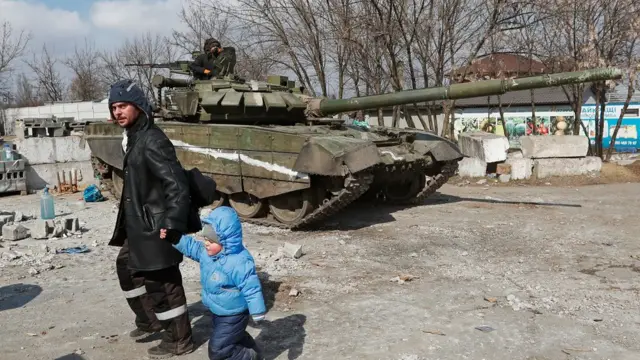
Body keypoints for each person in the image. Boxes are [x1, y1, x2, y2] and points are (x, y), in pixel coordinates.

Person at [107, 79, 195, 358]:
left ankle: (179, 340)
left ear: (139, 107)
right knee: (127, 266)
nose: (117, 112)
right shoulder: (134, 137)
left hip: (156, 225)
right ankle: (150, 320)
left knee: (163, 283)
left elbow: (176, 185)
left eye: (123, 106)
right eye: (114, 107)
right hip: (139, 224)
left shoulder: (152, 140)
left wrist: (172, 223)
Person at [161, 206, 266, 360]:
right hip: (218, 311)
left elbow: (251, 288)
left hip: (234, 314)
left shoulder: (239, 261)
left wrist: (258, 311)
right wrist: (175, 238)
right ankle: (252, 351)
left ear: (225, 240)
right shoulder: (207, 253)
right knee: (233, 338)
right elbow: (192, 247)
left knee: (218, 350)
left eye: (212, 241)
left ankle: (249, 356)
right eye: (205, 239)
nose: (206, 244)